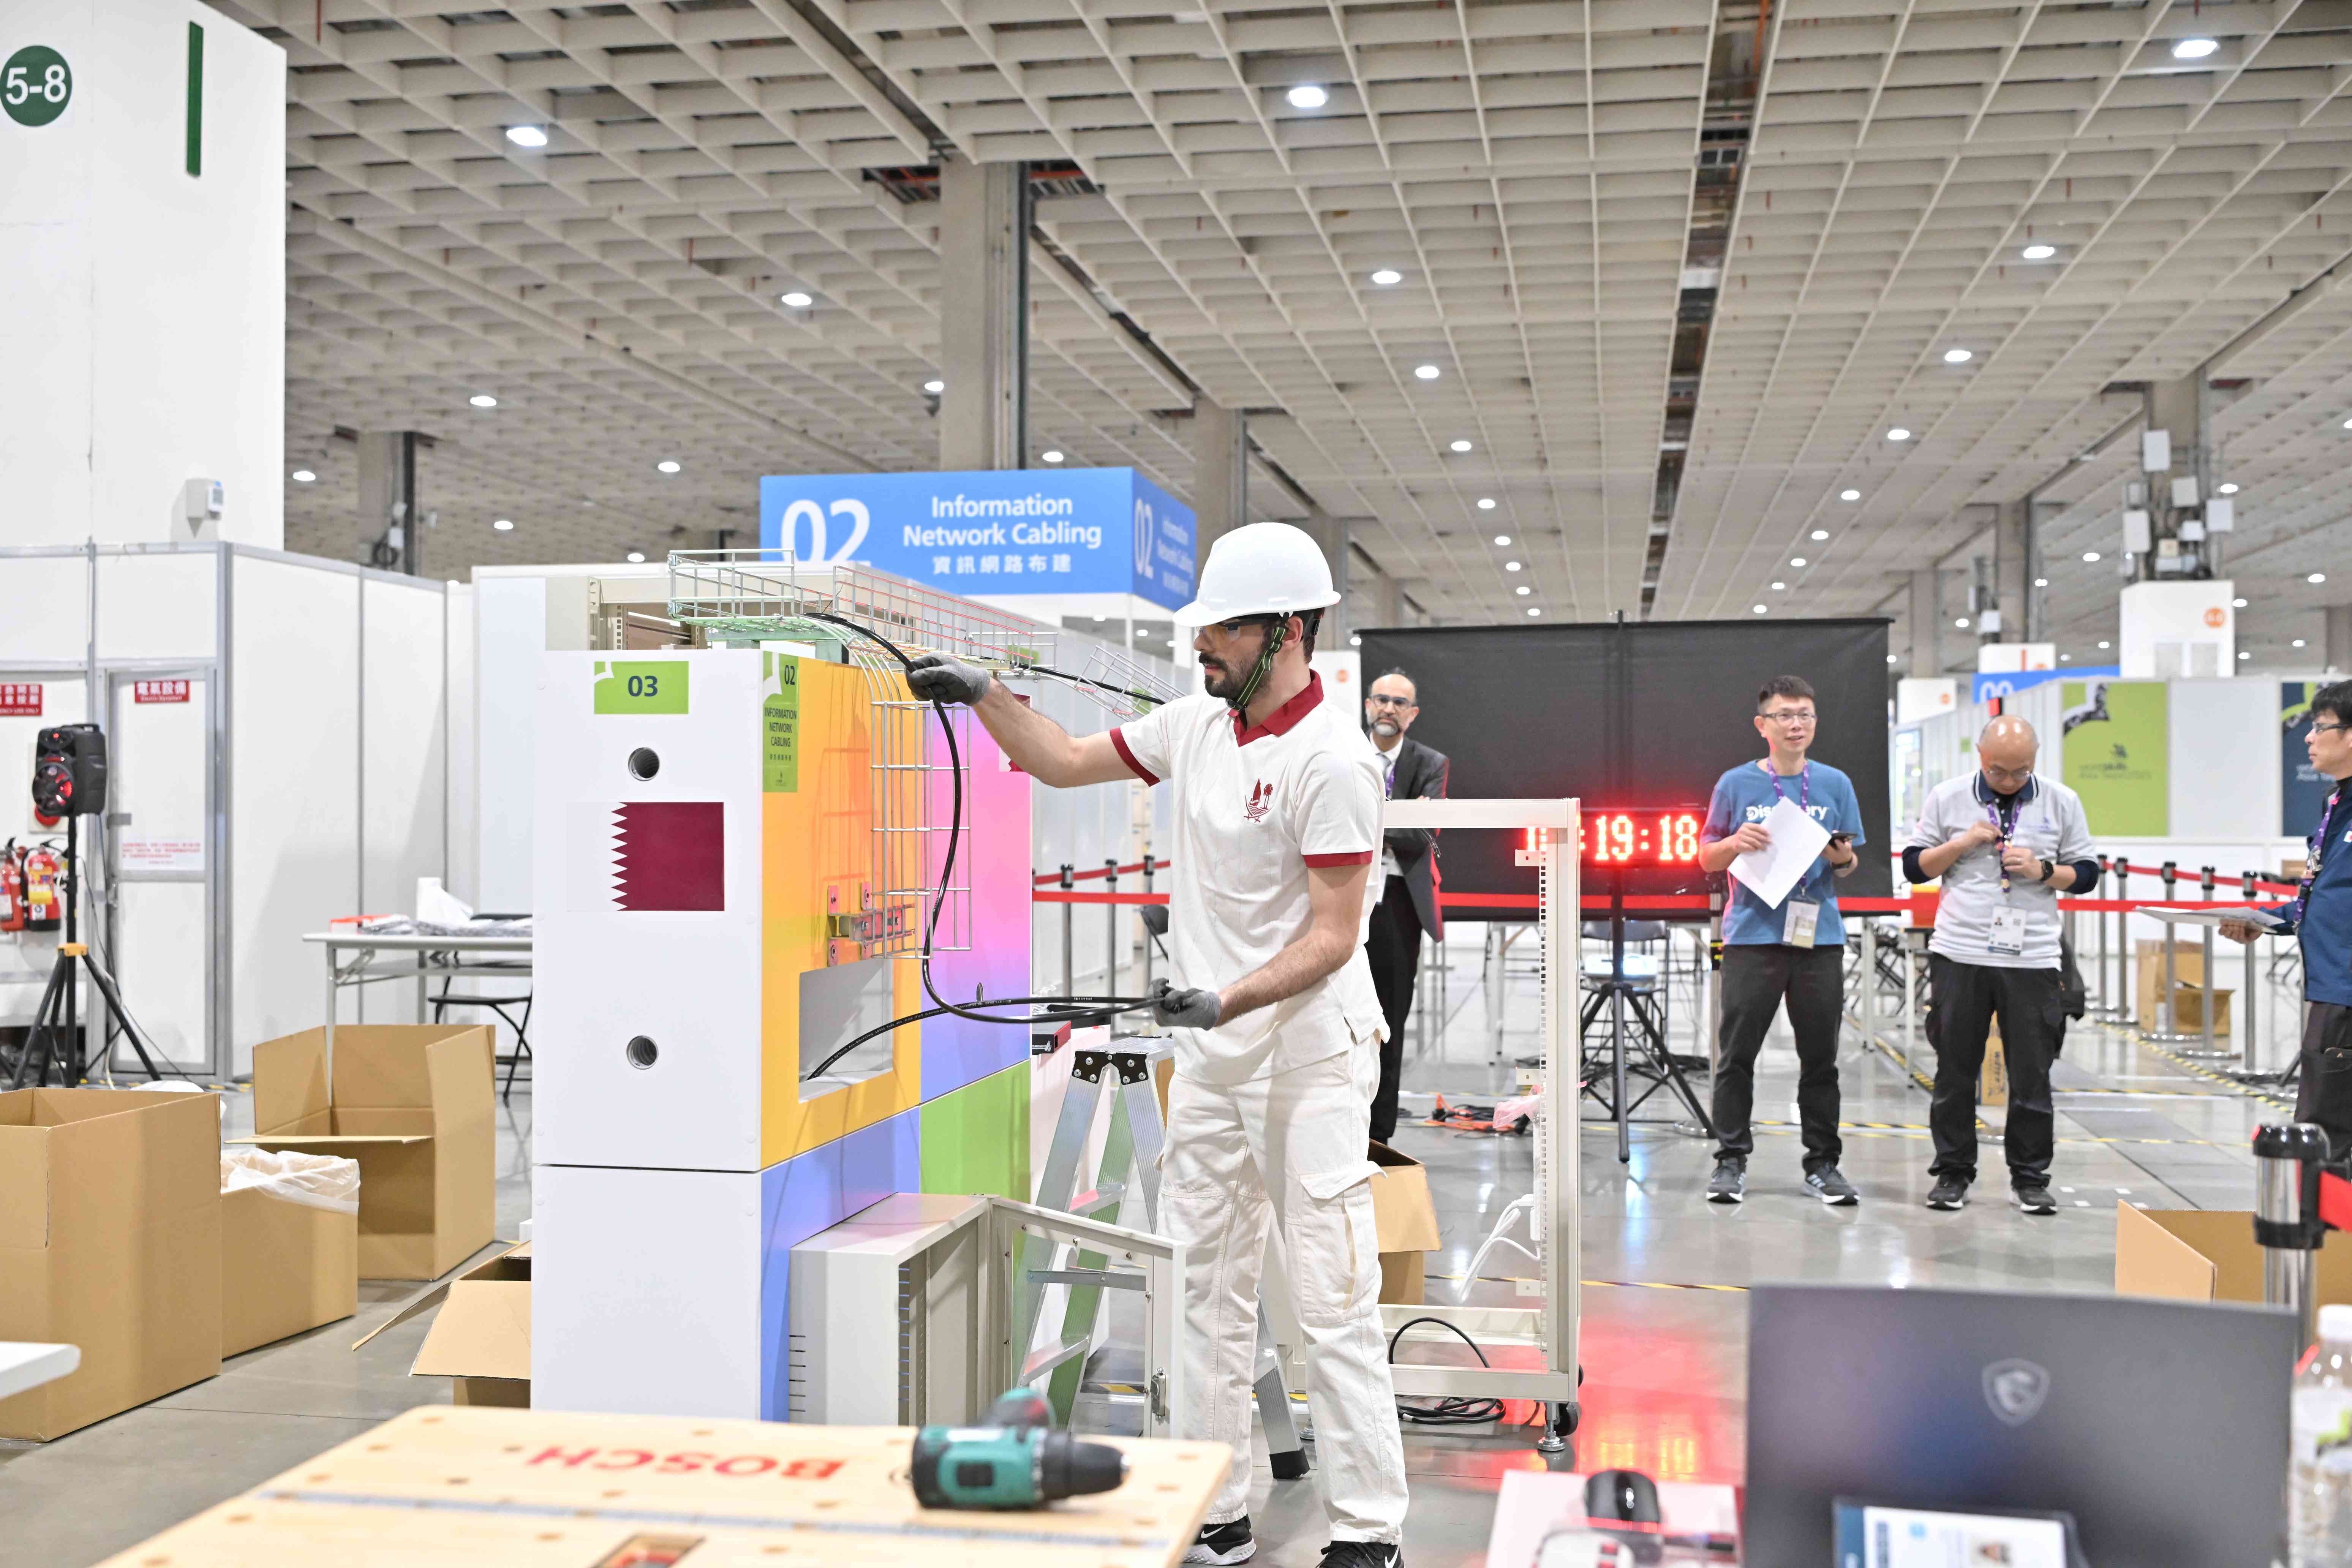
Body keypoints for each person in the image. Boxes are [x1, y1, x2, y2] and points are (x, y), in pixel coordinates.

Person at [905, 522, 1407, 1568]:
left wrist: (1223, 999)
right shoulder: (1194, 726)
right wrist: (985, 696)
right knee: (1203, 1292)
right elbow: (1061, 761)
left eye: (1222, 628)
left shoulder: (1334, 761)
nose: (1201, 644)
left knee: (1331, 1302)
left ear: (1286, 631)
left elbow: (1333, 936)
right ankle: (1213, 1506)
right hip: (1217, 1061)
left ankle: (1368, 1530)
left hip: (1307, 1061)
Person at [1903, 716, 2098, 1214]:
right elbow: (1914, 866)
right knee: (1955, 1071)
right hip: (1960, 953)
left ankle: (2029, 1178)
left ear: (2035, 760)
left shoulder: (2062, 801)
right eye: (1998, 771)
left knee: (2032, 1073)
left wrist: (2042, 870)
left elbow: (2087, 874)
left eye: (2020, 771)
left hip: (2032, 958)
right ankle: (1953, 1172)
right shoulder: (1947, 797)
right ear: (1980, 756)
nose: (2009, 781)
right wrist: (1961, 844)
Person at [1696, 676, 1867, 1206]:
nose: (1797, 725)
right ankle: (1730, 1160)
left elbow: (1849, 863)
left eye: (1806, 715)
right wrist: (1733, 841)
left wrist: (1841, 856)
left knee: (1821, 1059)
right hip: (1752, 936)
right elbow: (1706, 857)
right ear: (1763, 725)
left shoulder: (1835, 783)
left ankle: (1823, 1164)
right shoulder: (1736, 784)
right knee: (1737, 1056)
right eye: (1786, 715)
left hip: (1819, 939)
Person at [2225, 679, 2352, 1153]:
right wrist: (2262, 919)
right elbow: (2323, 897)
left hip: (2345, 988)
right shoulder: (2335, 803)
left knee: (2326, 1135)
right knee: (2322, 1128)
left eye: (2320, 727)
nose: (2309, 738)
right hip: (2332, 990)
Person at [1362, 669, 1448, 1143]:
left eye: (1399, 703)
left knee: (1389, 1020)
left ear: (1411, 715)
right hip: (1343, 894)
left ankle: (1379, 1136)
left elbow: (1423, 834)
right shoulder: (1343, 755)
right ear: (1368, 705)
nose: (1389, 708)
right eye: (1382, 699)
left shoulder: (1431, 763)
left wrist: (1367, 819)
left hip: (1397, 903)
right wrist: (1400, 812)